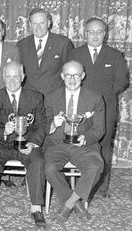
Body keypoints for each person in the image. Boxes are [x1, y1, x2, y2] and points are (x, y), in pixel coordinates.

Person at [0, 61, 47, 229]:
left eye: (16, 76)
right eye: (8, 76)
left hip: (26, 143)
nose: (12, 80)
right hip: (0, 143)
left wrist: (34, 143)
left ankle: (36, 208)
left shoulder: (35, 97)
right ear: (3, 78)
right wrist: (4, 131)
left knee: (38, 161)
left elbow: (41, 125)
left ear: (23, 77)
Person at [68, 17, 129, 198]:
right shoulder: (74, 54)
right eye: (91, 31)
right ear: (85, 33)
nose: (95, 35)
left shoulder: (115, 55)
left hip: (106, 108)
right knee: (79, 143)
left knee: (103, 146)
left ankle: (102, 187)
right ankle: (79, 184)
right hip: (79, 108)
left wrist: (103, 98)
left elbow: (122, 81)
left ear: (105, 34)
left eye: (99, 32)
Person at [44, 60, 105, 222]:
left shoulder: (95, 98)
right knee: (49, 168)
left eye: (76, 75)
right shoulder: (50, 98)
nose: (72, 79)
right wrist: (52, 125)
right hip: (57, 144)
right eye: (68, 75)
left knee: (95, 166)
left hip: (84, 145)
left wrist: (86, 138)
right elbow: (42, 127)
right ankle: (77, 203)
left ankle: (69, 204)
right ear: (62, 76)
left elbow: (99, 129)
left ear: (83, 76)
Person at [17, 8, 73, 96]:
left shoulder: (63, 43)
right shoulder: (21, 45)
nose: (38, 27)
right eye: (35, 23)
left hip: (55, 98)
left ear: (49, 23)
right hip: (30, 98)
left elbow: (70, 72)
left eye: (42, 23)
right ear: (30, 25)